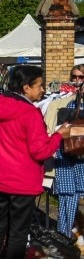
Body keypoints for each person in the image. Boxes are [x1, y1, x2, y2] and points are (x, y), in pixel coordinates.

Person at [0, 65, 72, 259]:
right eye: (39, 85)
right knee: (18, 233)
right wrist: (59, 135)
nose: (42, 90)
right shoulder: (30, 114)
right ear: (26, 87)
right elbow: (40, 151)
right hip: (22, 180)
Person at [52, 65, 84, 238]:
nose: (77, 81)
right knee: (67, 195)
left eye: (81, 77)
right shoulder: (65, 101)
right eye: (75, 77)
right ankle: (63, 235)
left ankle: (74, 234)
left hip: (81, 156)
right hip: (67, 153)